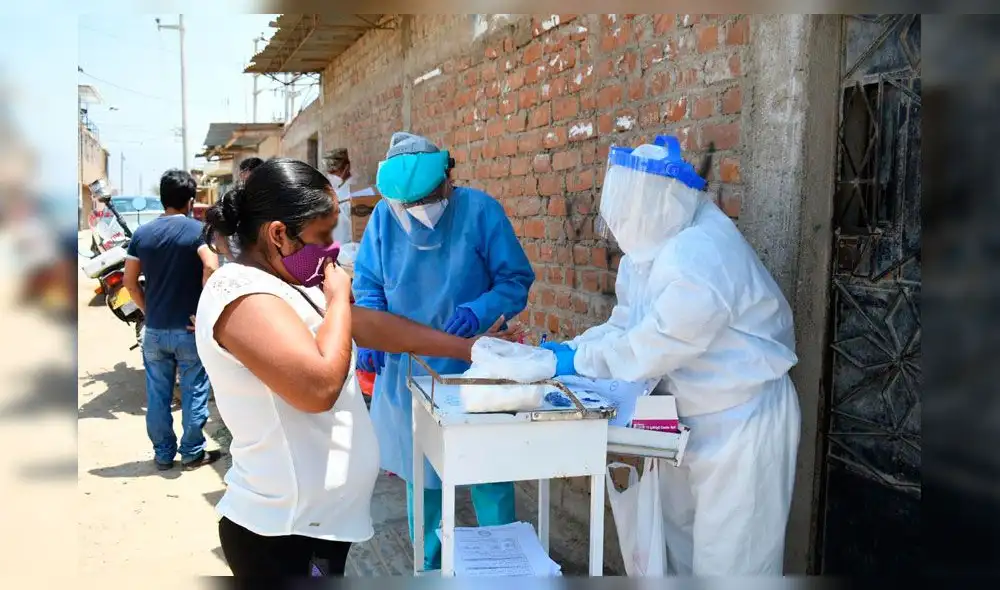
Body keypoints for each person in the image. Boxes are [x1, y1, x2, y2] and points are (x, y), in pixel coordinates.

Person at [196, 158, 514, 578]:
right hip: (280, 532)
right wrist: (339, 297)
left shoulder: (286, 285)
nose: (332, 246)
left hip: (317, 528)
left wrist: (465, 349)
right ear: (278, 234)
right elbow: (318, 388)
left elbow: (368, 325)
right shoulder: (238, 293)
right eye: (322, 234)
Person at [542, 136, 802, 576]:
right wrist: (576, 348)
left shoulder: (701, 255)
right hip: (687, 423)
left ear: (659, 208)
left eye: (630, 219)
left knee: (733, 567)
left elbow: (652, 344)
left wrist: (575, 363)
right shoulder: (647, 249)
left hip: (743, 424)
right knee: (678, 554)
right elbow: (625, 322)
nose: (623, 232)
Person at [352, 132, 535, 571]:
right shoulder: (383, 218)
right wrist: (373, 326)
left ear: (448, 178)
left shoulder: (480, 211)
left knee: (487, 474)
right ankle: (428, 566)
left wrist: (482, 308)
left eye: (426, 199)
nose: (417, 211)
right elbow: (369, 282)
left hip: (474, 367)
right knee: (423, 480)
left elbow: (515, 280)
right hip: (408, 368)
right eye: (406, 205)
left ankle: (501, 565)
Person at [123, 169, 221, 471]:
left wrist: (148, 310)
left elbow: (129, 282)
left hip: (154, 330)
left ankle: (163, 454)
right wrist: (206, 310)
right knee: (194, 390)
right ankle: (192, 453)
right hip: (188, 328)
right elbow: (212, 265)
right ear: (191, 200)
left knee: (157, 394)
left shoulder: (142, 235)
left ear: (162, 198)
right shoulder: (196, 231)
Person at [324, 148, 355, 245]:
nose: (330, 175)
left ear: (346, 168)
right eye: (329, 172)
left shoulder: (356, 191)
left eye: (334, 171)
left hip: (349, 249)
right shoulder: (333, 189)